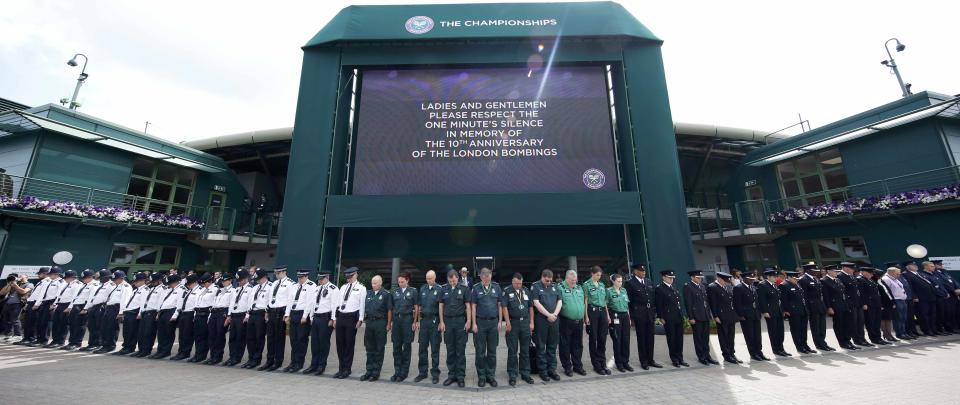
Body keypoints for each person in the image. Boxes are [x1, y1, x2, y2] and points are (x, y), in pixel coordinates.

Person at [439, 269, 471, 387]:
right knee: (450, 349)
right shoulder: (444, 289)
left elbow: (468, 306)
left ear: (458, 278)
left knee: (460, 350)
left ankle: (461, 376)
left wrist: (468, 321)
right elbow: (441, 306)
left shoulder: (464, 289)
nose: (452, 282)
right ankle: (452, 375)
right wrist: (441, 322)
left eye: (454, 279)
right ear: (448, 279)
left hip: (460, 322)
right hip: (448, 322)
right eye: (450, 280)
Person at [503, 272, 535, 386]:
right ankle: (512, 374)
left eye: (520, 283)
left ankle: (525, 373)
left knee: (525, 350)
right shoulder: (507, 291)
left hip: (525, 323)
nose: (518, 285)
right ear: (512, 281)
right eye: (516, 283)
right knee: (512, 350)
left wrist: (531, 322)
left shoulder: (526, 291)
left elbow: (531, 307)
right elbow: (505, 308)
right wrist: (507, 322)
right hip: (513, 323)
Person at [625, 264, 659, 370]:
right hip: (639, 315)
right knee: (642, 339)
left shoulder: (648, 282)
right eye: (641, 271)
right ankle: (643, 361)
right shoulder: (630, 283)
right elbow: (629, 301)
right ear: (635, 272)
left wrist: (654, 313)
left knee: (650, 338)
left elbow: (653, 298)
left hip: (649, 314)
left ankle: (650, 360)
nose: (643, 272)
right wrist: (632, 317)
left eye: (644, 271)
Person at [304, 271, 339, 375]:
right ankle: (313, 365)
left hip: (325, 318)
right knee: (314, 343)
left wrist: (333, 319)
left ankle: (321, 365)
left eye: (322, 279)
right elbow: (312, 303)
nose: (320, 281)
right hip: (316, 318)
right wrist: (310, 316)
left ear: (327, 278)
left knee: (323, 343)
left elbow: (335, 305)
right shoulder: (317, 288)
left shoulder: (333, 289)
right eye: (319, 279)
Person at [334, 267, 366, 379]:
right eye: (347, 277)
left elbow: (362, 304)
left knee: (349, 344)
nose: (349, 279)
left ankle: (347, 369)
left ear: (356, 275)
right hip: (341, 316)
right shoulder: (343, 287)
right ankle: (341, 368)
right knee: (339, 344)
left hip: (352, 318)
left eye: (350, 277)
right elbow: (338, 303)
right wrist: (335, 317)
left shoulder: (361, 288)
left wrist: (360, 319)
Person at [261, 265, 295, 371]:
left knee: (279, 338)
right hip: (272, 311)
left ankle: (278, 361)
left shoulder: (290, 283)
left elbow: (290, 300)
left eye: (278, 273)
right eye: (275, 273)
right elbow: (270, 298)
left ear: (284, 272)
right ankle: (269, 361)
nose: (276, 275)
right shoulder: (274, 283)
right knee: (270, 337)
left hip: (281, 313)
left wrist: (287, 315)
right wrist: (267, 310)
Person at [531, 268, 562, 381]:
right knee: (541, 346)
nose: (548, 282)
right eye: (546, 280)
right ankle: (543, 371)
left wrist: (554, 314)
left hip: (554, 319)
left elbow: (559, 301)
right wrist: (548, 314)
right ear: (542, 277)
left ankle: (551, 370)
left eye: (550, 280)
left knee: (552, 346)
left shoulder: (555, 286)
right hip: (542, 320)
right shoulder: (536, 286)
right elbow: (536, 302)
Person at [284, 270, 316, 372]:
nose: (300, 279)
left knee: (301, 339)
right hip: (293, 313)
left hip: (302, 314)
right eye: (298, 277)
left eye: (302, 277)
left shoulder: (311, 285)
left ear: (306, 276)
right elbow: (290, 300)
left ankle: (299, 363)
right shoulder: (294, 285)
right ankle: (293, 362)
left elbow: (310, 302)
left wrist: (305, 316)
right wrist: (287, 314)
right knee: (293, 339)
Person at [361, 275, 392, 382]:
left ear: (380, 283)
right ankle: (368, 371)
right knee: (369, 348)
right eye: (372, 283)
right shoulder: (368, 293)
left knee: (379, 348)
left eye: (375, 283)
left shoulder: (386, 294)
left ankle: (375, 372)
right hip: (369, 323)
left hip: (380, 323)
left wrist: (388, 324)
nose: (373, 285)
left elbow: (389, 310)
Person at [556, 269, 585, 377]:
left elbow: (583, 302)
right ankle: (567, 367)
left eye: (575, 280)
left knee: (578, 344)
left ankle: (578, 366)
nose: (574, 282)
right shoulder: (560, 288)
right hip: (566, 321)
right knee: (565, 345)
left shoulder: (579, 288)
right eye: (572, 280)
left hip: (579, 321)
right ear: (567, 278)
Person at [415, 269, 442, 384]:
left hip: (435, 321)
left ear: (435, 278)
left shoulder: (440, 289)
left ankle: (435, 373)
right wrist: (417, 321)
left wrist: (441, 322)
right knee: (422, 348)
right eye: (427, 278)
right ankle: (422, 372)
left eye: (430, 278)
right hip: (424, 321)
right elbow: (419, 306)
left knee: (435, 349)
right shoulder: (422, 289)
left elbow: (442, 307)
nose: (428, 280)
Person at [655, 270, 687, 367]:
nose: (671, 279)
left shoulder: (674, 287)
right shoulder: (660, 288)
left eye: (672, 278)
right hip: (668, 318)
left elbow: (679, 303)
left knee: (679, 339)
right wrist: (661, 317)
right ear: (664, 277)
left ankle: (680, 358)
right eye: (669, 277)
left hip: (678, 317)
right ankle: (674, 359)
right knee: (672, 339)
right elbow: (658, 304)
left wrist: (682, 315)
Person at [683, 270, 716, 365]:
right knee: (698, 338)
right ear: (692, 277)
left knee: (706, 337)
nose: (700, 279)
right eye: (698, 278)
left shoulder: (702, 286)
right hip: (696, 317)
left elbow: (706, 302)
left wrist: (709, 315)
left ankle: (707, 355)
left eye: (701, 278)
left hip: (705, 315)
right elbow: (688, 304)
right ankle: (701, 356)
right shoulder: (688, 287)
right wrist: (691, 317)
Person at [391, 271, 418, 382]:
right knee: (396, 347)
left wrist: (415, 322)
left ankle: (404, 372)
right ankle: (397, 371)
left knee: (406, 346)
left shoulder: (413, 291)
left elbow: (416, 307)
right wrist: (391, 321)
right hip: (397, 320)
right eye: (399, 282)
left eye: (402, 282)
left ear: (407, 280)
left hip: (407, 320)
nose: (400, 284)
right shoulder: (395, 292)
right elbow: (392, 308)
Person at [707, 271, 740, 363]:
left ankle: (732, 353)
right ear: (719, 279)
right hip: (721, 316)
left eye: (727, 281)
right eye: (724, 280)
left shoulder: (728, 286)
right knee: (723, 336)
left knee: (731, 335)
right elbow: (712, 303)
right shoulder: (712, 287)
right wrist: (715, 316)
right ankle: (726, 355)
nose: (726, 282)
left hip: (730, 315)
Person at [733, 271, 766, 361]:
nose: (752, 281)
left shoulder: (753, 287)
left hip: (755, 314)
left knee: (757, 335)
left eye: (752, 279)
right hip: (746, 315)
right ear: (744, 278)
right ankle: (753, 353)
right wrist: (740, 315)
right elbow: (737, 303)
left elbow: (757, 301)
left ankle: (759, 352)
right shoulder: (738, 288)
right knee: (749, 335)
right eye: (750, 279)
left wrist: (760, 312)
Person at [583, 266, 609, 375]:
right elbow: (585, 301)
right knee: (594, 338)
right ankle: (596, 364)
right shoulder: (586, 285)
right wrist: (586, 316)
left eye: (600, 275)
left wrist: (607, 315)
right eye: (597, 275)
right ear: (592, 274)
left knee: (602, 338)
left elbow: (604, 301)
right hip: (592, 311)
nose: (599, 277)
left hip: (602, 311)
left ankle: (603, 362)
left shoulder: (602, 285)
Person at [780, 270, 815, 354]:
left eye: (797, 278)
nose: (796, 280)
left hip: (802, 309)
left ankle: (805, 345)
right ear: (789, 277)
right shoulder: (784, 285)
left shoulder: (797, 284)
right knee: (796, 329)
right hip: (793, 311)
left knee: (803, 329)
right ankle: (799, 346)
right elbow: (783, 300)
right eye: (794, 278)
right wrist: (786, 310)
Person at [822, 265, 855, 350]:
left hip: (844, 305)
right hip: (835, 306)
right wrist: (829, 307)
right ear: (828, 271)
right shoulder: (824, 281)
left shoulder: (838, 280)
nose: (836, 272)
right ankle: (842, 342)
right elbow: (826, 296)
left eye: (836, 271)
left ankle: (848, 340)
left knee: (847, 323)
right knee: (839, 325)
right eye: (834, 271)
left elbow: (843, 293)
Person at [79, 270, 114, 351]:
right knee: (91, 326)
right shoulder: (99, 284)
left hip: (101, 307)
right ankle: (91, 344)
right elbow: (92, 297)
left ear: (107, 277)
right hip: (93, 307)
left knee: (98, 327)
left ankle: (97, 344)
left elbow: (110, 298)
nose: (99, 279)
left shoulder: (111, 285)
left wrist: (104, 306)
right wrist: (87, 307)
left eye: (101, 278)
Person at [242, 269, 271, 369]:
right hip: (252, 313)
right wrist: (247, 315)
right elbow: (250, 302)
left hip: (261, 314)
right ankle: (251, 358)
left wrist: (267, 313)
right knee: (250, 337)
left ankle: (256, 359)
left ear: (264, 277)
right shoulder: (255, 288)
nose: (257, 281)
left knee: (259, 337)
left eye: (258, 279)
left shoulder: (270, 287)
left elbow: (269, 301)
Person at [799, 264, 832, 351]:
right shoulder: (803, 280)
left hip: (820, 306)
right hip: (812, 307)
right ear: (808, 270)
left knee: (822, 326)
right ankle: (819, 344)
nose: (816, 272)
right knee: (816, 327)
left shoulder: (816, 279)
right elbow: (804, 296)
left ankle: (823, 342)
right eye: (814, 270)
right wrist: (807, 309)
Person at [757, 268, 789, 357]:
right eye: (774, 276)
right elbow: (762, 300)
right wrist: (765, 311)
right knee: (773, 331)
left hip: (778, 311)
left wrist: (782, 310)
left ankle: (781, 348)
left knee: (780, 331)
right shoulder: (762, 285)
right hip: (770, 312)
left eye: (776, 276)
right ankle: (776, 349)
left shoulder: (774, 285)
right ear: (768, 276)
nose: (776, 278)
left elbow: (779, 299)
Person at [61, 270, 95, 350]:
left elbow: (91, 298)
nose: (83, 279)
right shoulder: (85, 285)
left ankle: (77, 343)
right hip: (76, 306)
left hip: (83, 306)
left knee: (80, 326)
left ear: (90, 277)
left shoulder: (94, 285)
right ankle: (71, 342)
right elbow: (77, 296)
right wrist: (71, 306)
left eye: (85, 278)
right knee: (73, 325)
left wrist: (85, 308)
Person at [150, 274, 183, 359]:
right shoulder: (169, 290)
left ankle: (165, 351)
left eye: (170, 283)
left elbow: (179, 304)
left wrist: (175, 315)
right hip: (163, 312)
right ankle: (160, 350)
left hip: (171, 312)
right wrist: (159, 312)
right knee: (161, 333)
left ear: (175, 282)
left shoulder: (181, 289)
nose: (169, 285)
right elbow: (164, 301)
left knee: (168, 333)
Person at [132, 272, 164, 357]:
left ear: (159, 281)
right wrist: (141, 312)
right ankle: (141, 349)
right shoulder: (151, 288)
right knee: (141, 332)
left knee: (148, 333)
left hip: (153, 312)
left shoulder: (162, 289)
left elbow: (160, 302)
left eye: (153, 281)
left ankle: (146, 350)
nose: (152, 283)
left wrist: (158, 313)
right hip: (145, 312)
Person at [225, 271, 253, 367]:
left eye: (240, 280)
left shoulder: (250, 289)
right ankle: (231, 356)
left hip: (242, 316)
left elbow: (250, 303)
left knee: (240, 338)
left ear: (246, 279)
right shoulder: (236, 289)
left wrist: (247, 315)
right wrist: (229, 315)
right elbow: (232, 303)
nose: (239, 282)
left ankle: (237, 358)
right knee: (232, 338)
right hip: (234, 315)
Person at [96, 271, 129, 354]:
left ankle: (110, 346)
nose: (113, 281)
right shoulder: (116, 286)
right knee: (104, 327)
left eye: (115, 279)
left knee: (112, 328)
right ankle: (104, 345)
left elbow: (124, 300)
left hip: (116, 308)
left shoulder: (126, 287)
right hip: (109, 308)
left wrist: (121, 312)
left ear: (121, 279)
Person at [115, 272, 148, 355]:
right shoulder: (136, 290)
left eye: (137, 281)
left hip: (135, 313)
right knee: (126, 331)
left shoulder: (145, 290)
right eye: (135, 281)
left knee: (132, 332)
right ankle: (125, 346)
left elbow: (142, 304)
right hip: (128, 312)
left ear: (143, 280)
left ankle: (130, 347)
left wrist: (140, 314)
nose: (135, 283)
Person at [31, 266, 65, 346]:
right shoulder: (48, 282)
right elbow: (42, 294)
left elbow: (58, 294)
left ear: (56, 274)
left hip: (51, 302)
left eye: (51, 274)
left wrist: (54, 304)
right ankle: (39, 339)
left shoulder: (61, 282)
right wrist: (38, 304)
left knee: (47, 322)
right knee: (41, 321)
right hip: (44, 302)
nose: (49, 275)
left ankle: (44, 340)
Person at [170, 274, 201, 361]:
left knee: (187, 335)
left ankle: (185, 352)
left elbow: (197, 304)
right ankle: (181, 352)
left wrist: (195, 315)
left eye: (190, 283)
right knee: (181, 335)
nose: (188, 285)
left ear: (195, 282)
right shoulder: (188, 290)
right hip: (183, 313)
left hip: (190, 313)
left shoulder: (199, 291)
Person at [607, 273, 634, 371]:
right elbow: (605, 305)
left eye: (621, 281)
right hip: (615, 316)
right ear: (613, 281)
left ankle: (625, 362)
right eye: (618, 281)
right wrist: (608, 317)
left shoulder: (624, 290)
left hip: (625, 316)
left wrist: (629, 318)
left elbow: (627, 305)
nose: (620, 283)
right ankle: (619, 363)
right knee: (618, 340)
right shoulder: (609, 291)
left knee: (626, 340)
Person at [206, 273, 234, 365]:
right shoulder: (220, 290)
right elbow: (214, 303)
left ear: (230, 281)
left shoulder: (233, 290)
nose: (223, 282)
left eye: (225, 280)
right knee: (211, 335)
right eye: (222, 281)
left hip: (223, 313)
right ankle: (212, 355)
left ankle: (218, 356)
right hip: (214, 312)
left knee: (219, 335)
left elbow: (231, 304)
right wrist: (210, 315)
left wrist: (229, 316)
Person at [838, 262, 870, 346]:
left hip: (858, 303)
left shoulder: (851, 276)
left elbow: (858, 291)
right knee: (853, 323)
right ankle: (856, 340)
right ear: (846, 268)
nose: (853, 271)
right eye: (852, 269)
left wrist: (862, 302)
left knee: (860, 322)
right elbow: (843, 292)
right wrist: (848, 303)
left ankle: (862, 338)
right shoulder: (840, 276)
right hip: (850, 304)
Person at [47, 269, 80, 348]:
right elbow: (59, 296)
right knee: (56, 324)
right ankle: (55, 340)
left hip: (67, 305)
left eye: (66, 278)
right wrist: (55, 304)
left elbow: (74, 297)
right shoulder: (65, 284)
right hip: (59, 305)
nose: (64, 279)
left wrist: (69, 307)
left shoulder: (77, 285)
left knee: (63, 325)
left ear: (72, 277)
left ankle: (60, 341)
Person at [189, 273, 217, 363]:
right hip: (198, 313)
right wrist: (194, 315)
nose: (204, 285)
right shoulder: (203, 290)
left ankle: (202, 355)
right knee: (198, 336)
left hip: (206, 314)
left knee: (204, 336)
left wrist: (209, 316)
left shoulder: (215, 289)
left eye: (205, 283)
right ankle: (197, 354)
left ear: (209, 281)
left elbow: (213, 304)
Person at [18, 267, 49, 345]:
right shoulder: (41, 281)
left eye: (39, 273)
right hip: (31, 302)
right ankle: (26, 338)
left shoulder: (47, 282)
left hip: (36, 303)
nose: (38, 275)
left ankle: (31, 338)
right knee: (27, 322)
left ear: (45, 273)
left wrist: (37, 304)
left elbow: (42, 294)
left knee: (33, 322)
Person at [881, 265, 910, 340]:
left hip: (902, 300)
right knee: (898, 318)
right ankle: (899, 333)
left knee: (903, 318)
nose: (899, 275)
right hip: (896, 300)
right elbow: (887, 292)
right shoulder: (886, 279)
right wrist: (892, 302)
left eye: (899, 273)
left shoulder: (895, 279)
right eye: (897, 274)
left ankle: (903, 332)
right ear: (891, 273)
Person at [1, 273, 32, 343]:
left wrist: (15, 285)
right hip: (8, 303)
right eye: (19, 276)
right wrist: (9, 284)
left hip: (18, 304)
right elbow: (2, 293)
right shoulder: (14, 284)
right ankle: (8, 335)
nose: (20, 277)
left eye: (22, 276)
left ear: (26, 277)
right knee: (7, 320)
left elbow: (23, 291)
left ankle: (18, 335)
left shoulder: (29, 284)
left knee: (15, 319)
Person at [900, 261, 921, 337]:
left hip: (910, 298)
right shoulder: (905, 274)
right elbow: (910, 287)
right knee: (908, 316)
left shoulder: (917, 273)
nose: (915, 266)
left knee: (912, 316)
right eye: (913, 265)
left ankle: (913, 330)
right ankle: (909, 331)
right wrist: (914, 296)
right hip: (908, 298)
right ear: (908, 266)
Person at [876, 268, 898, 342]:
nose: (881, 276)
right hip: (882, 304)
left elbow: (888, 292)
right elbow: (877, 295)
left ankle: (890, 334)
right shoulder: (875, 282)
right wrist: (880, 304)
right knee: (883, 320)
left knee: (888, 319)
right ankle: (885, 334)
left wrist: (893, 302)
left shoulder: (881, 281)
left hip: (888, 303)